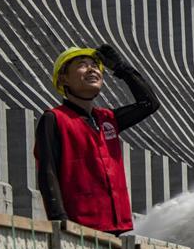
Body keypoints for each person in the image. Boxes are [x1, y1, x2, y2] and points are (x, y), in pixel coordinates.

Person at [34, 45, 160, 235]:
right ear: (63, 78)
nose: (92, 69)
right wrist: (60, 223)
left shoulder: (108, 119)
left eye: (95, 65)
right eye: (82, 65)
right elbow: (47, 171)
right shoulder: (54, 119)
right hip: (79, 229)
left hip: (117, 228)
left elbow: (149, 104)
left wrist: (122, 68)